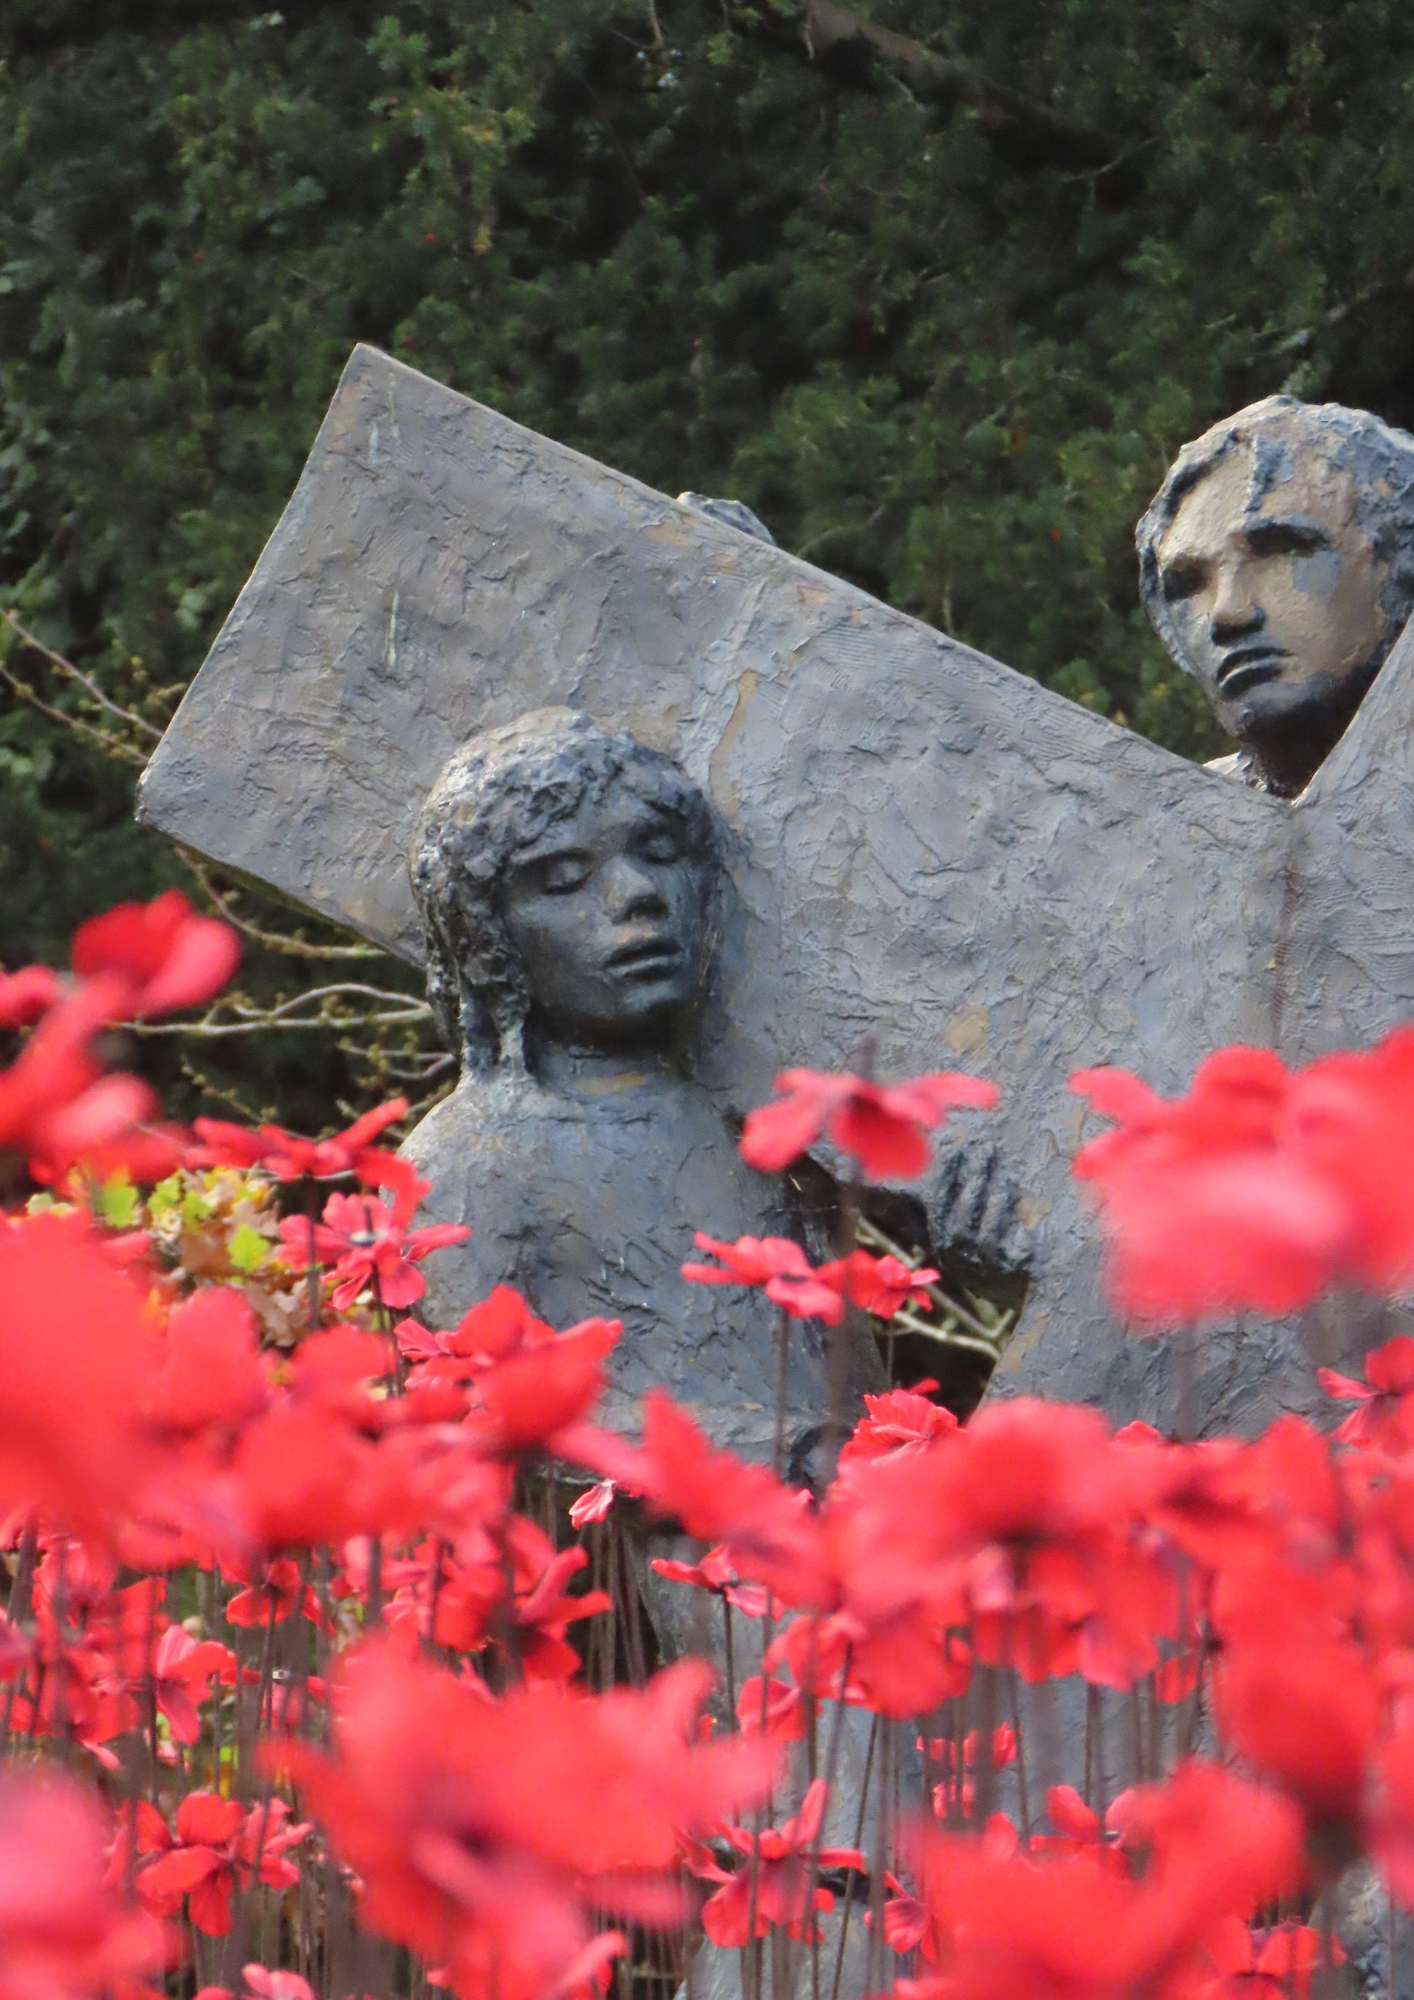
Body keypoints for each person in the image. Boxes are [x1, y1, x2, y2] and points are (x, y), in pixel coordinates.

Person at [400, 706, 885, 1463]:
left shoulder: (757, 1129)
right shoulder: (465, 1162)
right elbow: (496, 1407)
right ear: (486, 941)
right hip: (648, 1561)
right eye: (564, 879)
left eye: (659, 853)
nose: (637, 893)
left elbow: (852, 1378)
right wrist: (786, 1456)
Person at [1137, 395, 1414, 797]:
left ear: (1398, 561)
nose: (1227, 612)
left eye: (1280, 550)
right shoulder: (1167, 833)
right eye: (1190, 585)